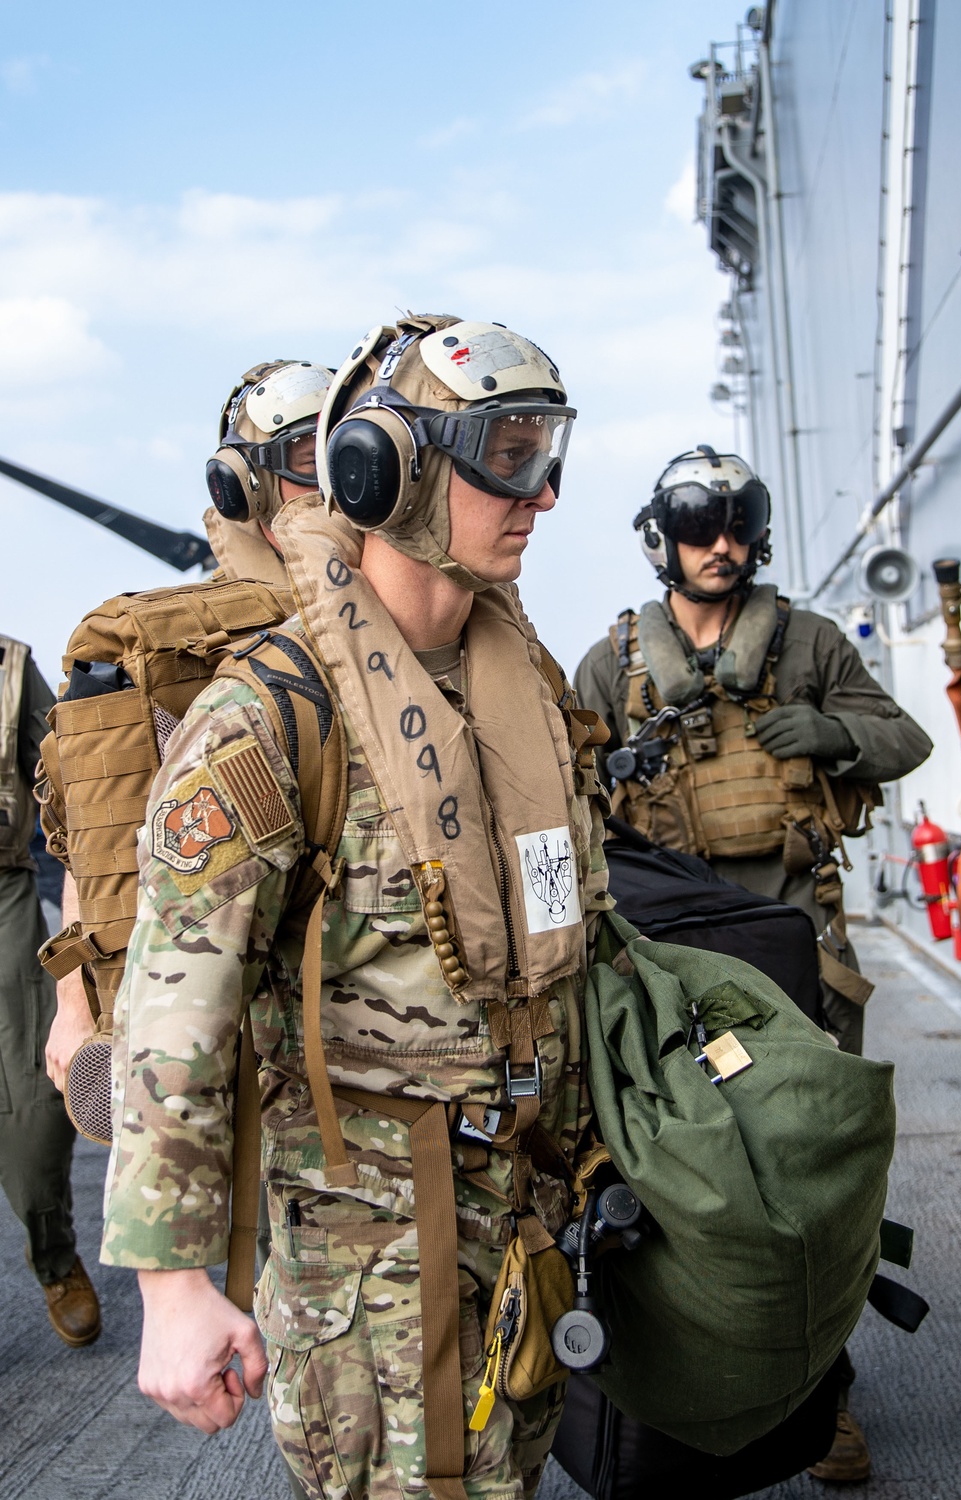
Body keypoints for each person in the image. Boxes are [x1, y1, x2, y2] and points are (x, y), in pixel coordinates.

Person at [100, 315, 609, 1500]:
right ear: (393, 469)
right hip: (375, 1259)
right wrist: (172, 1288)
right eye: (509, 454)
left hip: (530, 1211)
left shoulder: (518, 690)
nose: (540, 493)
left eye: (549, 451)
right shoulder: (273, 718)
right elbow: (174, 1012)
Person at [573, 444, 932, 1483]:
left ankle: (824, 1400)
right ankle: (674, 1401)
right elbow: (564, 780)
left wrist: (828, 731)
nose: (720, 545)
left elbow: (899, 737)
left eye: (736, 525)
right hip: (668, 960)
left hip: (790, 936)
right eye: (700, 526)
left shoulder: (810, 644)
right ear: (664, 538)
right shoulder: (613, 668)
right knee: (674, 1187)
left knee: (817, 1174)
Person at [44, 358, 334, 1098]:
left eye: (343, 452)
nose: (330, 487)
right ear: (244, 485)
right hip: (228, 1027)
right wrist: (78, 1004)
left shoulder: (409, 626)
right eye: (306, 461)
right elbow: (94, 843)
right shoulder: (162, 656)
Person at [0, 634, 101, 1346]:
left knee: (37, 1105)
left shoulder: (9, 667)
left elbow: (73, 766)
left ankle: (56, 1257)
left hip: (5, 896)